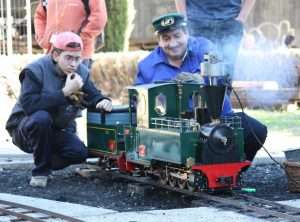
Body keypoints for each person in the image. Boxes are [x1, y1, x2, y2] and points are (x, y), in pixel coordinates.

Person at [135, 12, 267, 162]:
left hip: (220, 117)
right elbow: (138, 102)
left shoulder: (205, 47)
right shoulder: (146, 66)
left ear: (186, 33)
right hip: (176, 126)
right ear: (158, 40)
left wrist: (202, 80)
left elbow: (226, 76)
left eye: (177, 36)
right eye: (166, 38)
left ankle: (237, 168)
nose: (172, 43)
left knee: (257, 130)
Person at [5, 32, 112, 188]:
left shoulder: (81, 72)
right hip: (25, 128)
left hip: (55, 129)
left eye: (77, 58)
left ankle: (44, 160)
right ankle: (41, 172)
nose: (74, 64)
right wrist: (65, 93)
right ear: (55, 55)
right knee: (41, 118)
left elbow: (94, 95)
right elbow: (30, 106)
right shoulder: (35, 70)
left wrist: (103, 101)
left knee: (79, 153)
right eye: (69, 58)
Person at [174, 0, 256, 79]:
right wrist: (184, 19)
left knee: (225, 75)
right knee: (195, 75)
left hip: (229, 24)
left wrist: (242, 18)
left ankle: (224, 93)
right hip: (196, 25)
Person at [34, 0, 107, 68]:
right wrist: (44, 38)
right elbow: (40, 16)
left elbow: (99, 18)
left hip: (79, 58)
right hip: (52, 56)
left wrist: (79, 40)